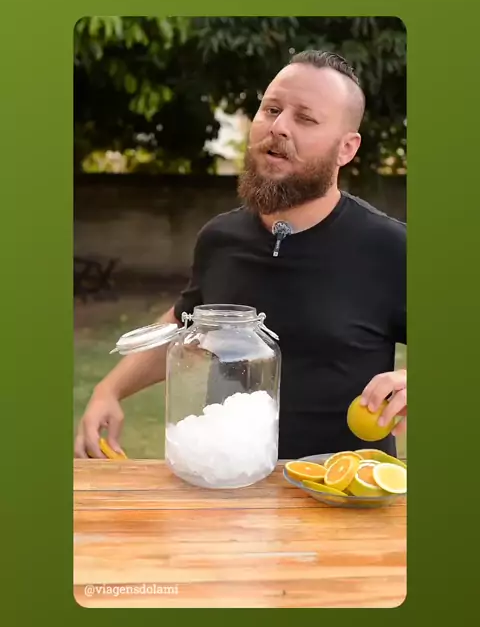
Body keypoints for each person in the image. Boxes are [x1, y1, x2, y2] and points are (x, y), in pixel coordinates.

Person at [75, 50, 406, 460]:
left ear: (347, 148)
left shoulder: (389, 247)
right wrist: (109, 389)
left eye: (305, 118)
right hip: (228, 480)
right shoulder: (220, 238)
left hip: (341, 488)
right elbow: (184, 321)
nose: (278, 127)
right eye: (272, 109)